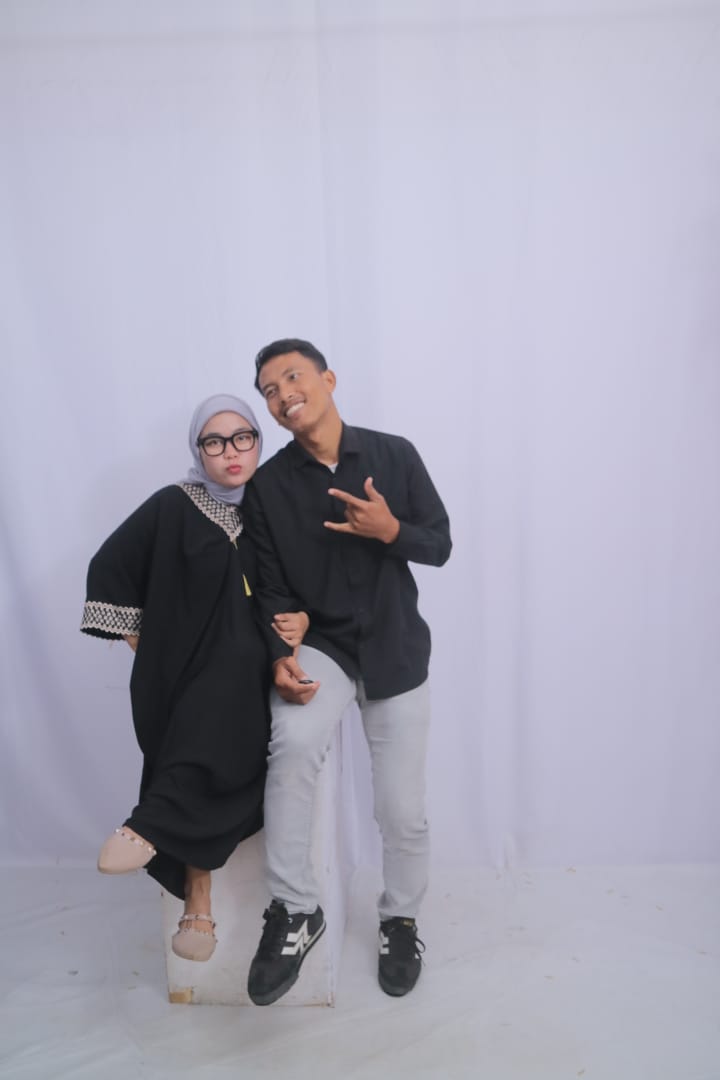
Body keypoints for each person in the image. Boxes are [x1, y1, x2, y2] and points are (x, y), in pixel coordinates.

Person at [242, 339, 451, 1004]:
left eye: (292, 377)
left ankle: (400, 920)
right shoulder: (267, 487)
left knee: (402, 810)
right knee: (292, 745)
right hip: (324, 647)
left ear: (328, 379)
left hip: (395, 648)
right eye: (269, 390)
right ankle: (295, 910)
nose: (283, 394)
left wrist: (391, 530)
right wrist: (282, 652)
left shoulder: (395, 455)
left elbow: (440, 544)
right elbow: (270, 587)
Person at [80, 394, 308, 962]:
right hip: (183, 674)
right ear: (197, 450)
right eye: (214, 441)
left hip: (251, 675)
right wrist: (145, 643)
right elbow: (109, 566)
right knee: (204, 708)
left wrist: (302, 619)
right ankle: (193, 897)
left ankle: (169, 855)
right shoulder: (173, 506)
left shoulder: (275, 514)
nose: (230, 452)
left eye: (242, 438)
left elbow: (308, 584)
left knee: (219, 705)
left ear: (259, 443)